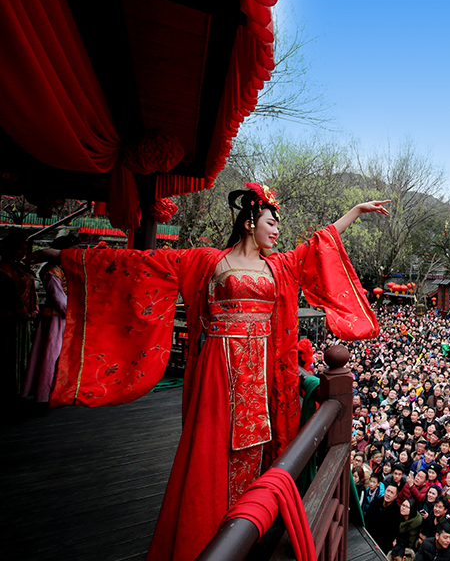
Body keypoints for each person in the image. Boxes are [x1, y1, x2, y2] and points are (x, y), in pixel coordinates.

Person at [42, 184, 389, 561]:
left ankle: (245, 527)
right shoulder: (209, 261)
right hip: (219, 370)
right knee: (213, 445)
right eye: (271, 224)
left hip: (260, 372)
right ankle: (205, 529)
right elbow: (144, 264)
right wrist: (66, 256)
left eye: (278, 227)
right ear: (249, 222)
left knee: (256, 446)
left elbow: (319, 243)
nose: (276, 232)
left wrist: (354, 210)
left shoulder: (280, 266)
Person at [20, 233, 78, 404]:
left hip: (64, 316)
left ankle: (57, 391)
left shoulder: (63, 269)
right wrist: (74, 314)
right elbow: (58, 298)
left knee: (58, 355)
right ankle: (45, 394)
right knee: (51, 355)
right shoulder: (52, 271)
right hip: (56, 318)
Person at [0, 228, 38, 401]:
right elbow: (11, 294)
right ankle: (10, 389)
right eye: (20, 249)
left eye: (25, 249)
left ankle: (19, 387)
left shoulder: (19, 268)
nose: (24, 252)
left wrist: (33, 309)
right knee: (9, 354)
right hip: (11, 318)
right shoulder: (4, 269)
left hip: (23, 317)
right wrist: (22, 311)